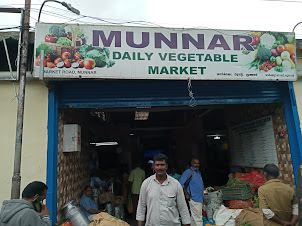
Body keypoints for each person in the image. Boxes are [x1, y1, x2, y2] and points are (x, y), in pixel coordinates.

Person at [136, 153, 190, 226]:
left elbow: (183, 208)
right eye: (157, 165)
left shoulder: (176, 184)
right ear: (153, 167)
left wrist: (187, 223)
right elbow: (141, 207)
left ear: (167, 166)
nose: (160, 168)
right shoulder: (146, 184)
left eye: (162, 165)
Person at [179, 158, 204, 226]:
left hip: (199, 198)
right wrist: (186, 193)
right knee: (198, 218)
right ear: (192, 163)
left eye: (198, 163)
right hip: (193, 197)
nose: (197, 165)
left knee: (194, 217)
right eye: (195, 163)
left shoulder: (198, 172)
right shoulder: (188, 172)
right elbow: (180, 183)